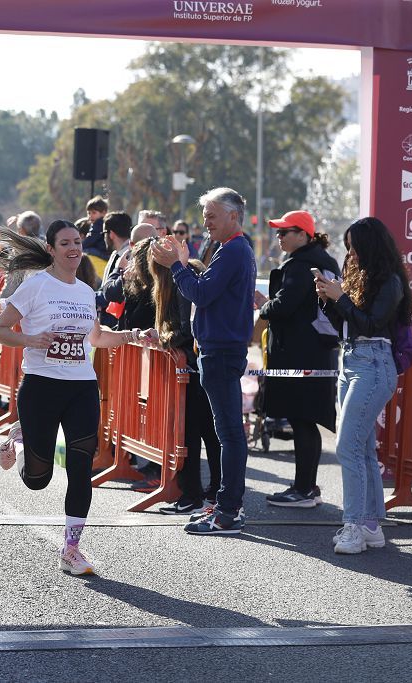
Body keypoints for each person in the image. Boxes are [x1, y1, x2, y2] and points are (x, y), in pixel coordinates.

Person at [0, 221, 157, 575]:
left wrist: (135, 335)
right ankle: (19, 440)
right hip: (41, 386)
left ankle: (71, 549)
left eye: (77, 242)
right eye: (65, 243)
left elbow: (96, 338)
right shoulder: (35, 287)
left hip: (82, 386)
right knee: (38, 479)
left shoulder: (85, 291)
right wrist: (30, 340)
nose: (74, 248)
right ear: (50, 249)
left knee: (81, 467)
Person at [150, 187, 255, 536]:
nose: (205, 223)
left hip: (221, 352)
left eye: (211, 216)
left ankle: (227, 512)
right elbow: (205, 293)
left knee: (228, 435)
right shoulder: (232, 250)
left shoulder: (234, 250)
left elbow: (200, 292)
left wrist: (177, 267)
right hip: (218, 350)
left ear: (232, 216)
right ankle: (226, 507)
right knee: (226, 434)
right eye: (205, 215)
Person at [316, 216, 412, 554]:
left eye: (355, 248)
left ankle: (354, 525)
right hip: (354, 361)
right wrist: (329, 299)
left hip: (373, 363)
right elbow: (345, 324)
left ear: (371, 247)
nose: (351, 255)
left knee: (347, 445)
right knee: (362, 446)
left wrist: (341, 298)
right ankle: (370, 525)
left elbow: (371, 324)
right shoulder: (362, 278)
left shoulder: (390, 283)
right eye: (348, 249)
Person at [253, 210, 341, 508]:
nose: (279, 237)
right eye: (278, 232)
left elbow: (286, 306)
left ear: (303, 235)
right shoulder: (319, 260)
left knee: (302, 421)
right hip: (316, 353)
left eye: (284, 232)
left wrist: (264, 307)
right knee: (304, 421)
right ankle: (306, 487)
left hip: (302, 354)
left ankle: (304, 490)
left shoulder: (302, 264)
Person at [149, 246, 222, 514]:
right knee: (207, 435)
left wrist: (162, 339)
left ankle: (194, 496)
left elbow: (185, 330)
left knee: (193, 436)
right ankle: (212, 493)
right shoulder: (187, 276)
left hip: (195, 370)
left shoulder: (181, 280)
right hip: (199, 368)